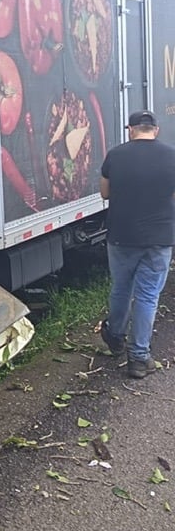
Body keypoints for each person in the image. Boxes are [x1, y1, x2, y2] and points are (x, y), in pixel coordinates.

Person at [99, 109, 175, 379]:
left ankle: (115, 337)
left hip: (121, 236)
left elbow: (105, 193)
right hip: (159, 238)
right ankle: (139, 359)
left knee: (121, 288)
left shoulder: (115, 155)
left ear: (130, 129)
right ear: (156, 130)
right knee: (147, 296)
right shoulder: (171, 155)